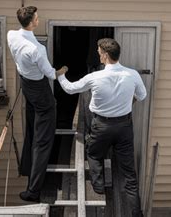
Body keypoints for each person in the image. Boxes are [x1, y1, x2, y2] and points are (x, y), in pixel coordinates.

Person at [56, 37, 147, 217]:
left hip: (102, 126)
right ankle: (137, 213)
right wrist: (126, 104)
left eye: (99, 53)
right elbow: (142, 95)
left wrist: (60, 75)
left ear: (105, 55)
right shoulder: (132, 75)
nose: (98, 56)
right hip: (124, 126)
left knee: (93, 153)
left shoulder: (94, 77)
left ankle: (98, 186)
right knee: (129, 174)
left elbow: (70, 89)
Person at [7, 6, 67, 202]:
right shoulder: (36, 49)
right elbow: (51, 75)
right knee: (42, 140)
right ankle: (33, 190)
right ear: (32, 22)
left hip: (26, 85)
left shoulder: (11, 36)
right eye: (37, 18)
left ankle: (28, 168)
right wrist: (63, 69)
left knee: (33, 131)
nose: (39, 20)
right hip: (40, 91)